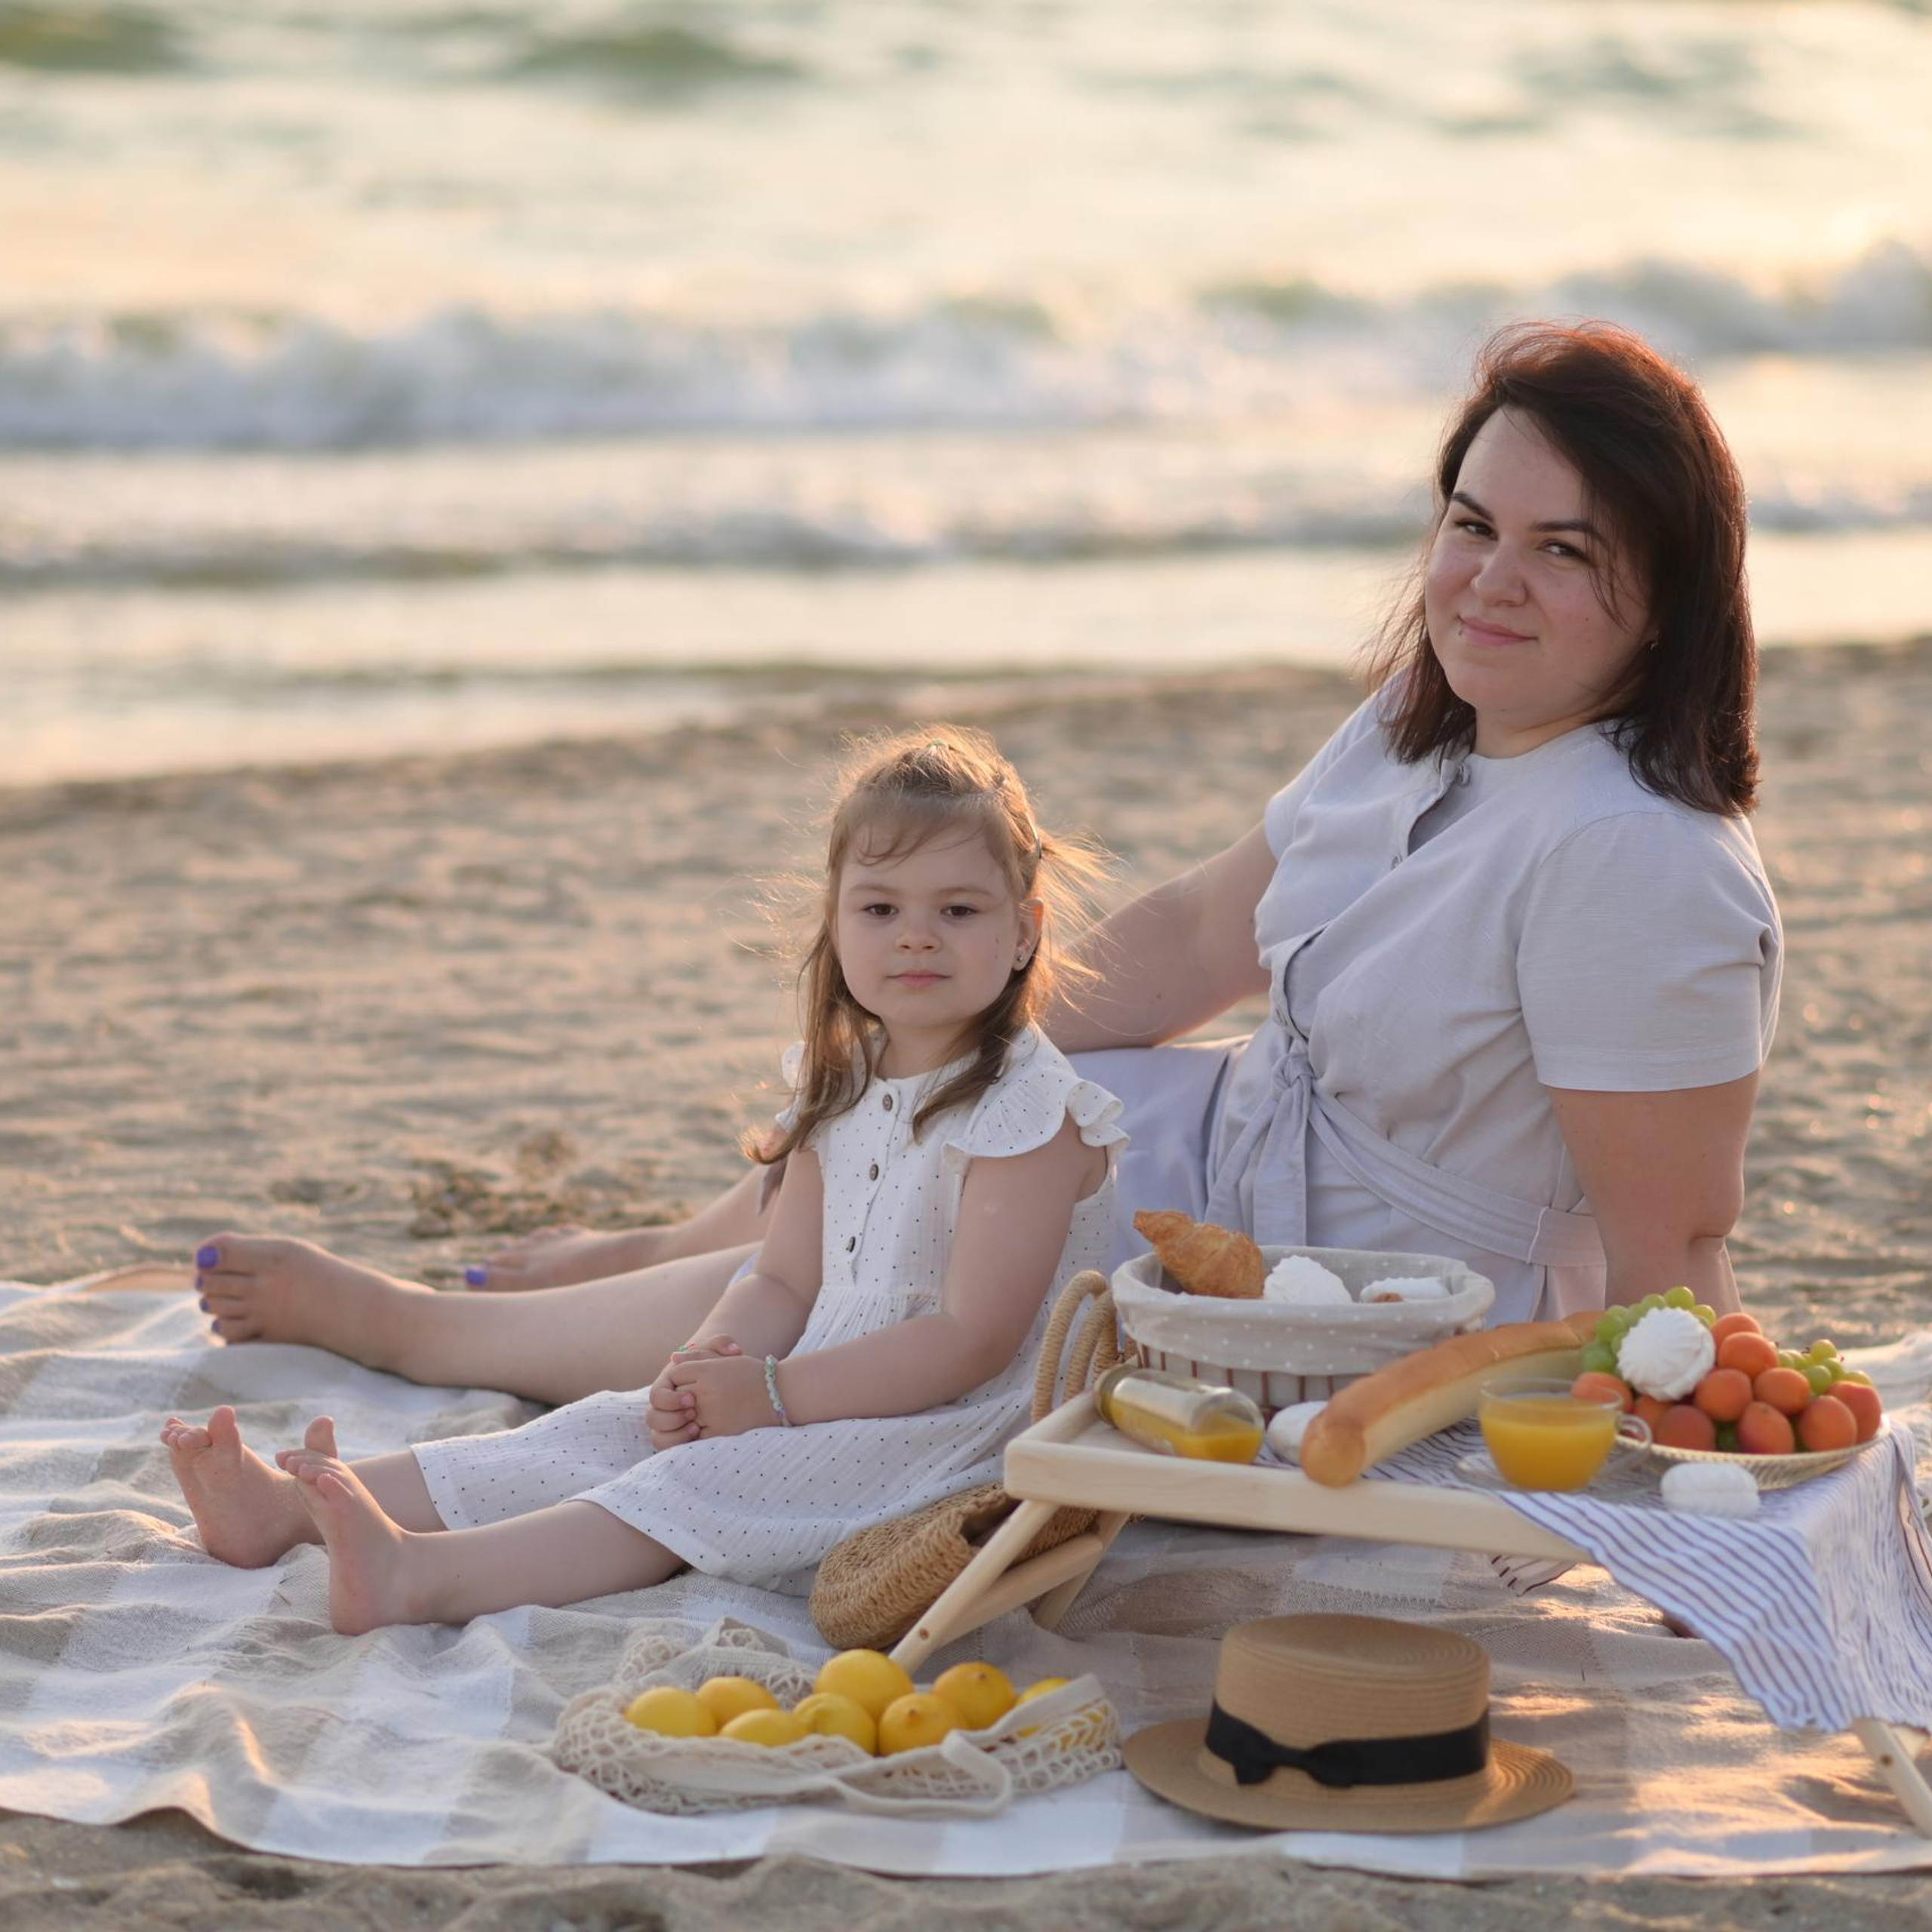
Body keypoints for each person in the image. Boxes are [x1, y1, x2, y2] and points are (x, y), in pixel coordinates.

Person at [192, 318, 1780, 1399]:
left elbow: (1669, 1249)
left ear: (1666, 587)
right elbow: (1191, 937)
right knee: (931, 1118)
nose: (1487, 580)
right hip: (1229, 1155)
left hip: (1356, 1304)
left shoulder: (1635, 861)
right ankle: (671, 1246)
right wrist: (928, 1063)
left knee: (906, 1237)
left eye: (1560, 548)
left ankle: (422, 1333)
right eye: (1469, 521)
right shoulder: (1422, 722)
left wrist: (1689, 1454)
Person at [162, 730, 1124, 1631]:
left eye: (957, 910)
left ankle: (420, 1575)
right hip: (818, 1382)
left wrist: (776, 1397)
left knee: (692, 1487)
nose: (916, 937)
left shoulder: (1025, 1115)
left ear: (1025, 931)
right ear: (835, 923)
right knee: (607, 1428)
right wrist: (709, 1364)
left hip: (954, 1433)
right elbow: (786, 1281)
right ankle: (287, 1508)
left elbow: (970, 1339)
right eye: (881, 909)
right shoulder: (843, 1082)